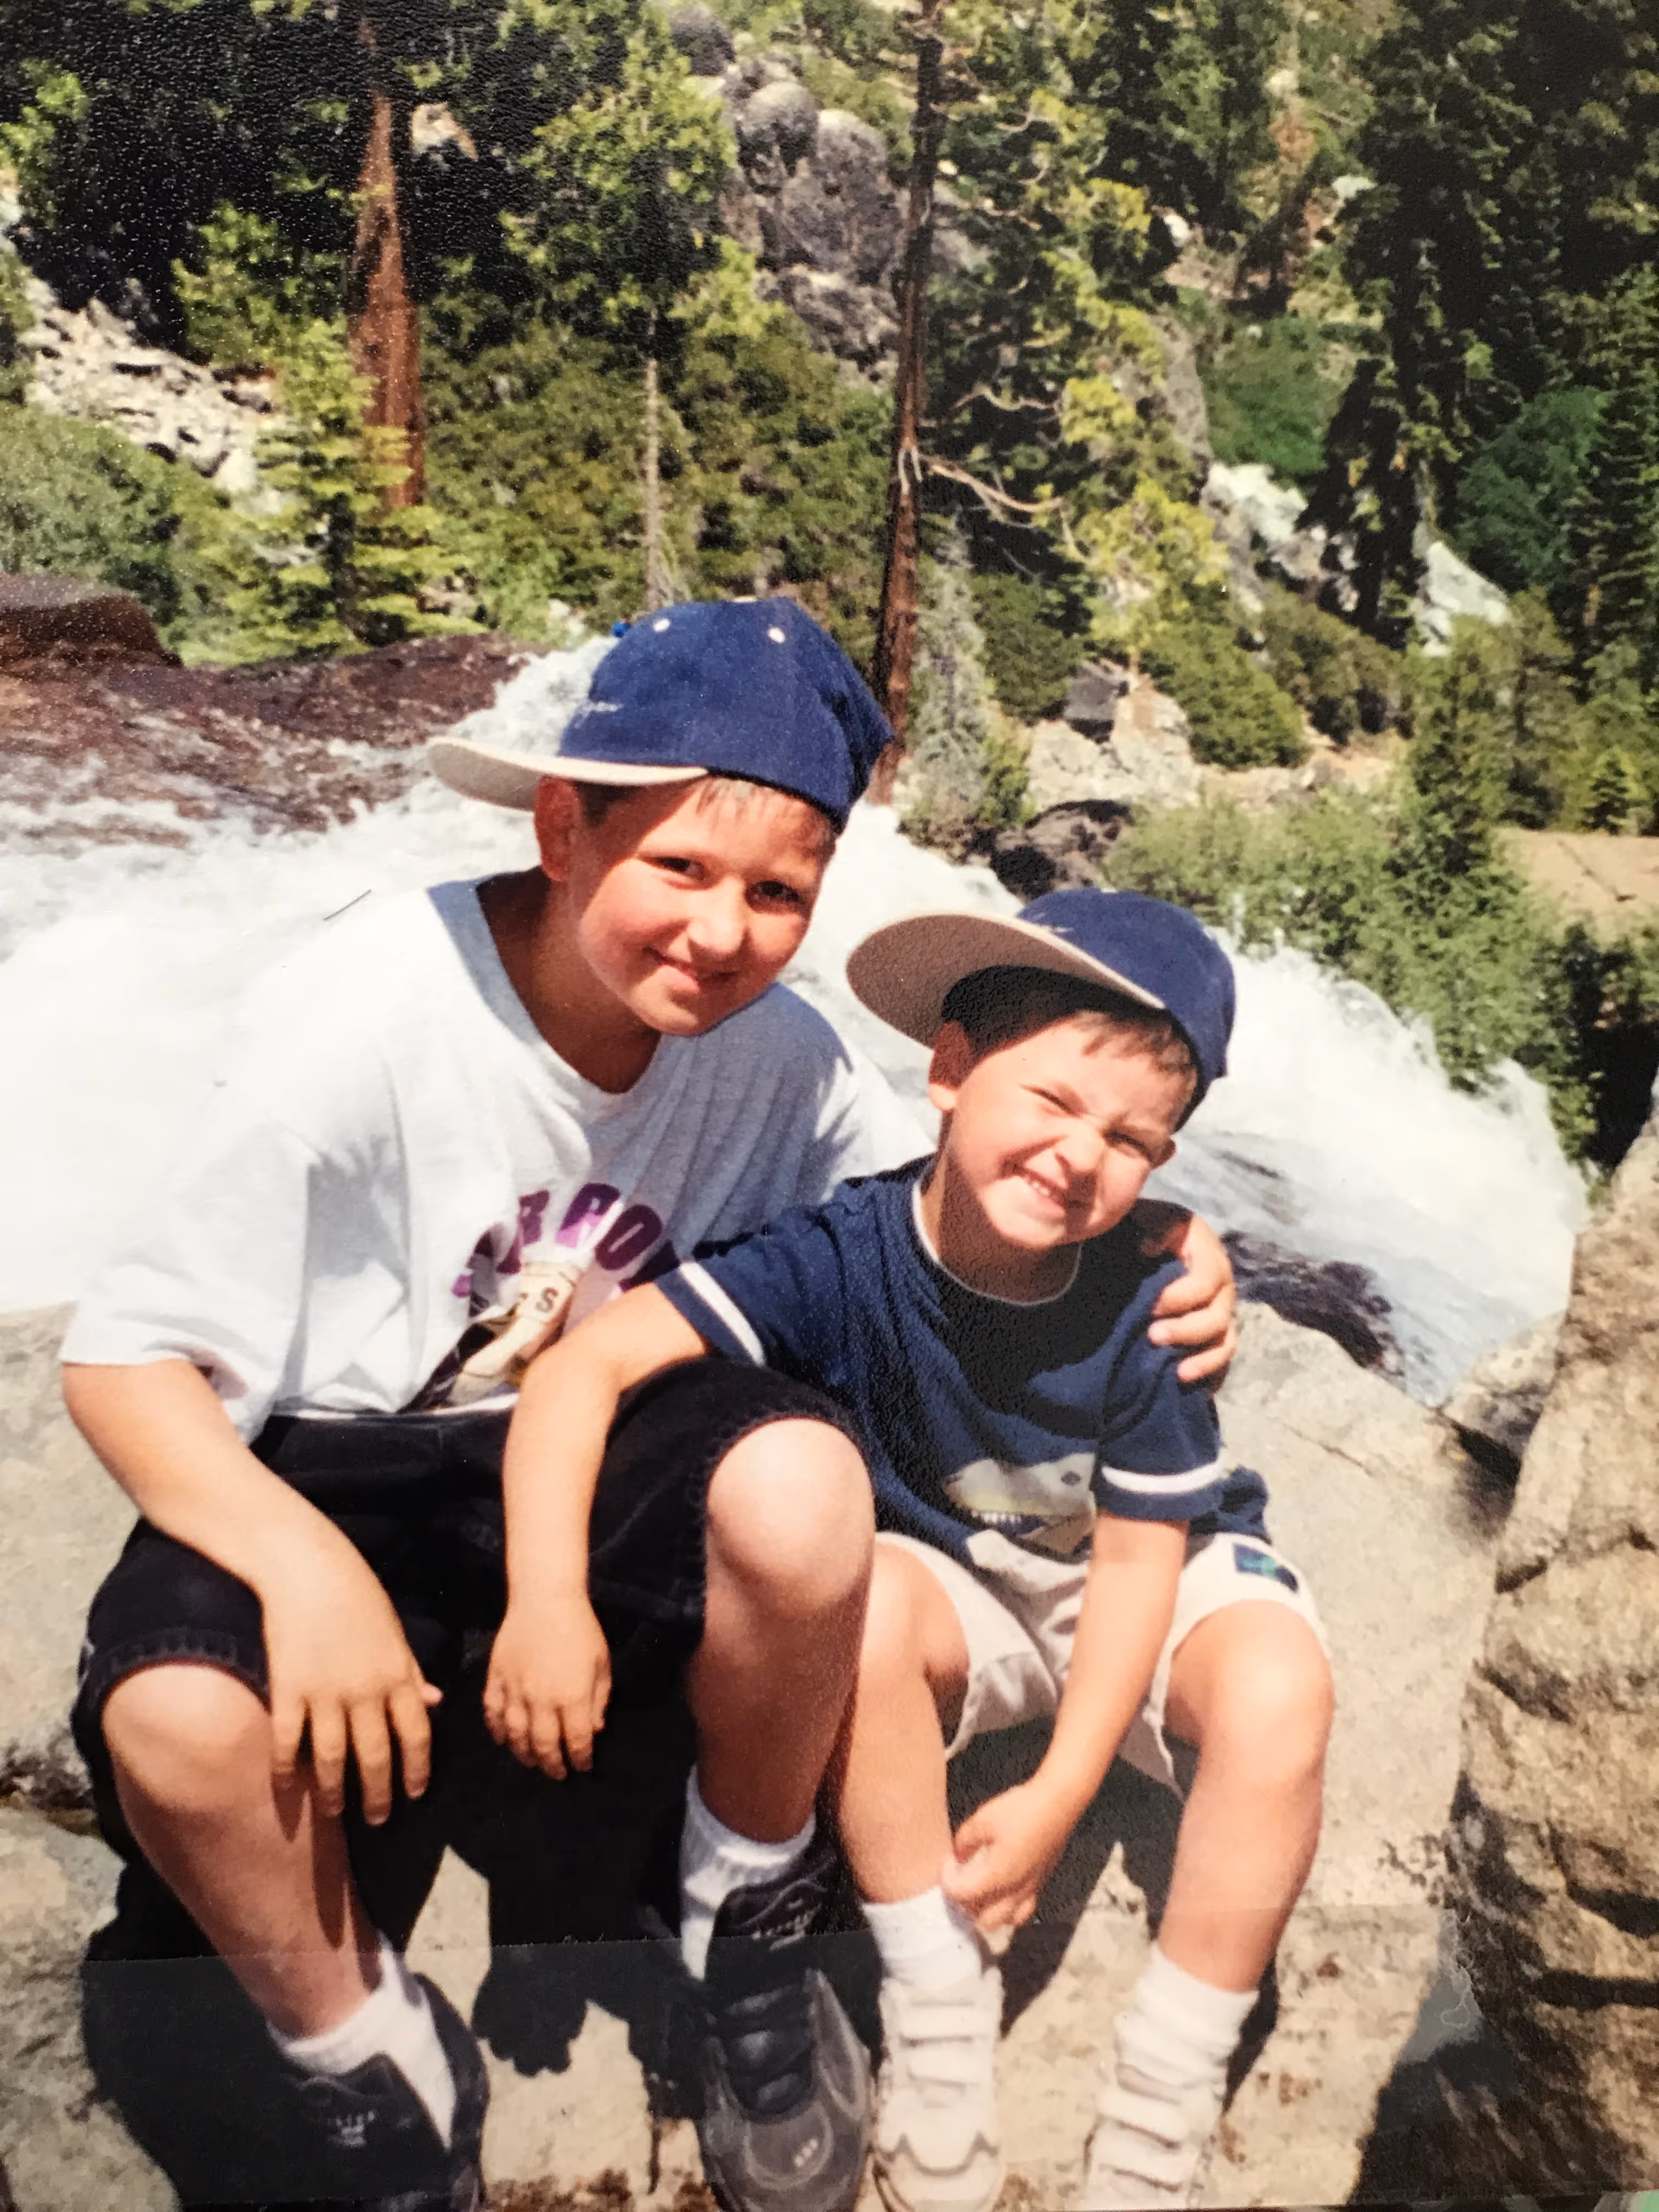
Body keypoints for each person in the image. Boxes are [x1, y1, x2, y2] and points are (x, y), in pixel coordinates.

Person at [59, 601, 1239, 2212]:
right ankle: (363, 2056)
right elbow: (125, 1359)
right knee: (176, 1722)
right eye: (679, 868)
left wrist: (1167, 1241)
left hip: (602, 1468)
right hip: (335, 1468)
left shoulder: (784, 1065)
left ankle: (744, 1916)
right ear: (564, 826)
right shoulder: (368, 1008)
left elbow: (957, 1214)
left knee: (804, 1487)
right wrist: (308, 1573)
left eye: (776, 893)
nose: (722, 931)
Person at [488, 885, 1333, 2212]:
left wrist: (1059, 1792)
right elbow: (584, 1368)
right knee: (866, 1611)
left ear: (1163, 1167)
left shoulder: (1155, 1291)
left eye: (1130, 1140)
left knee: (1283, 1696)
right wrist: (544, 1594)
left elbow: (1135, 1563)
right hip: (959, 1587)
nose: (1079, 1156)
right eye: (1051, 1101)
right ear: (947, 1070)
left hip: (1145, 1579)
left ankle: (1162, 2100)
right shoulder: (841, 1252)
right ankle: (937, 2015)